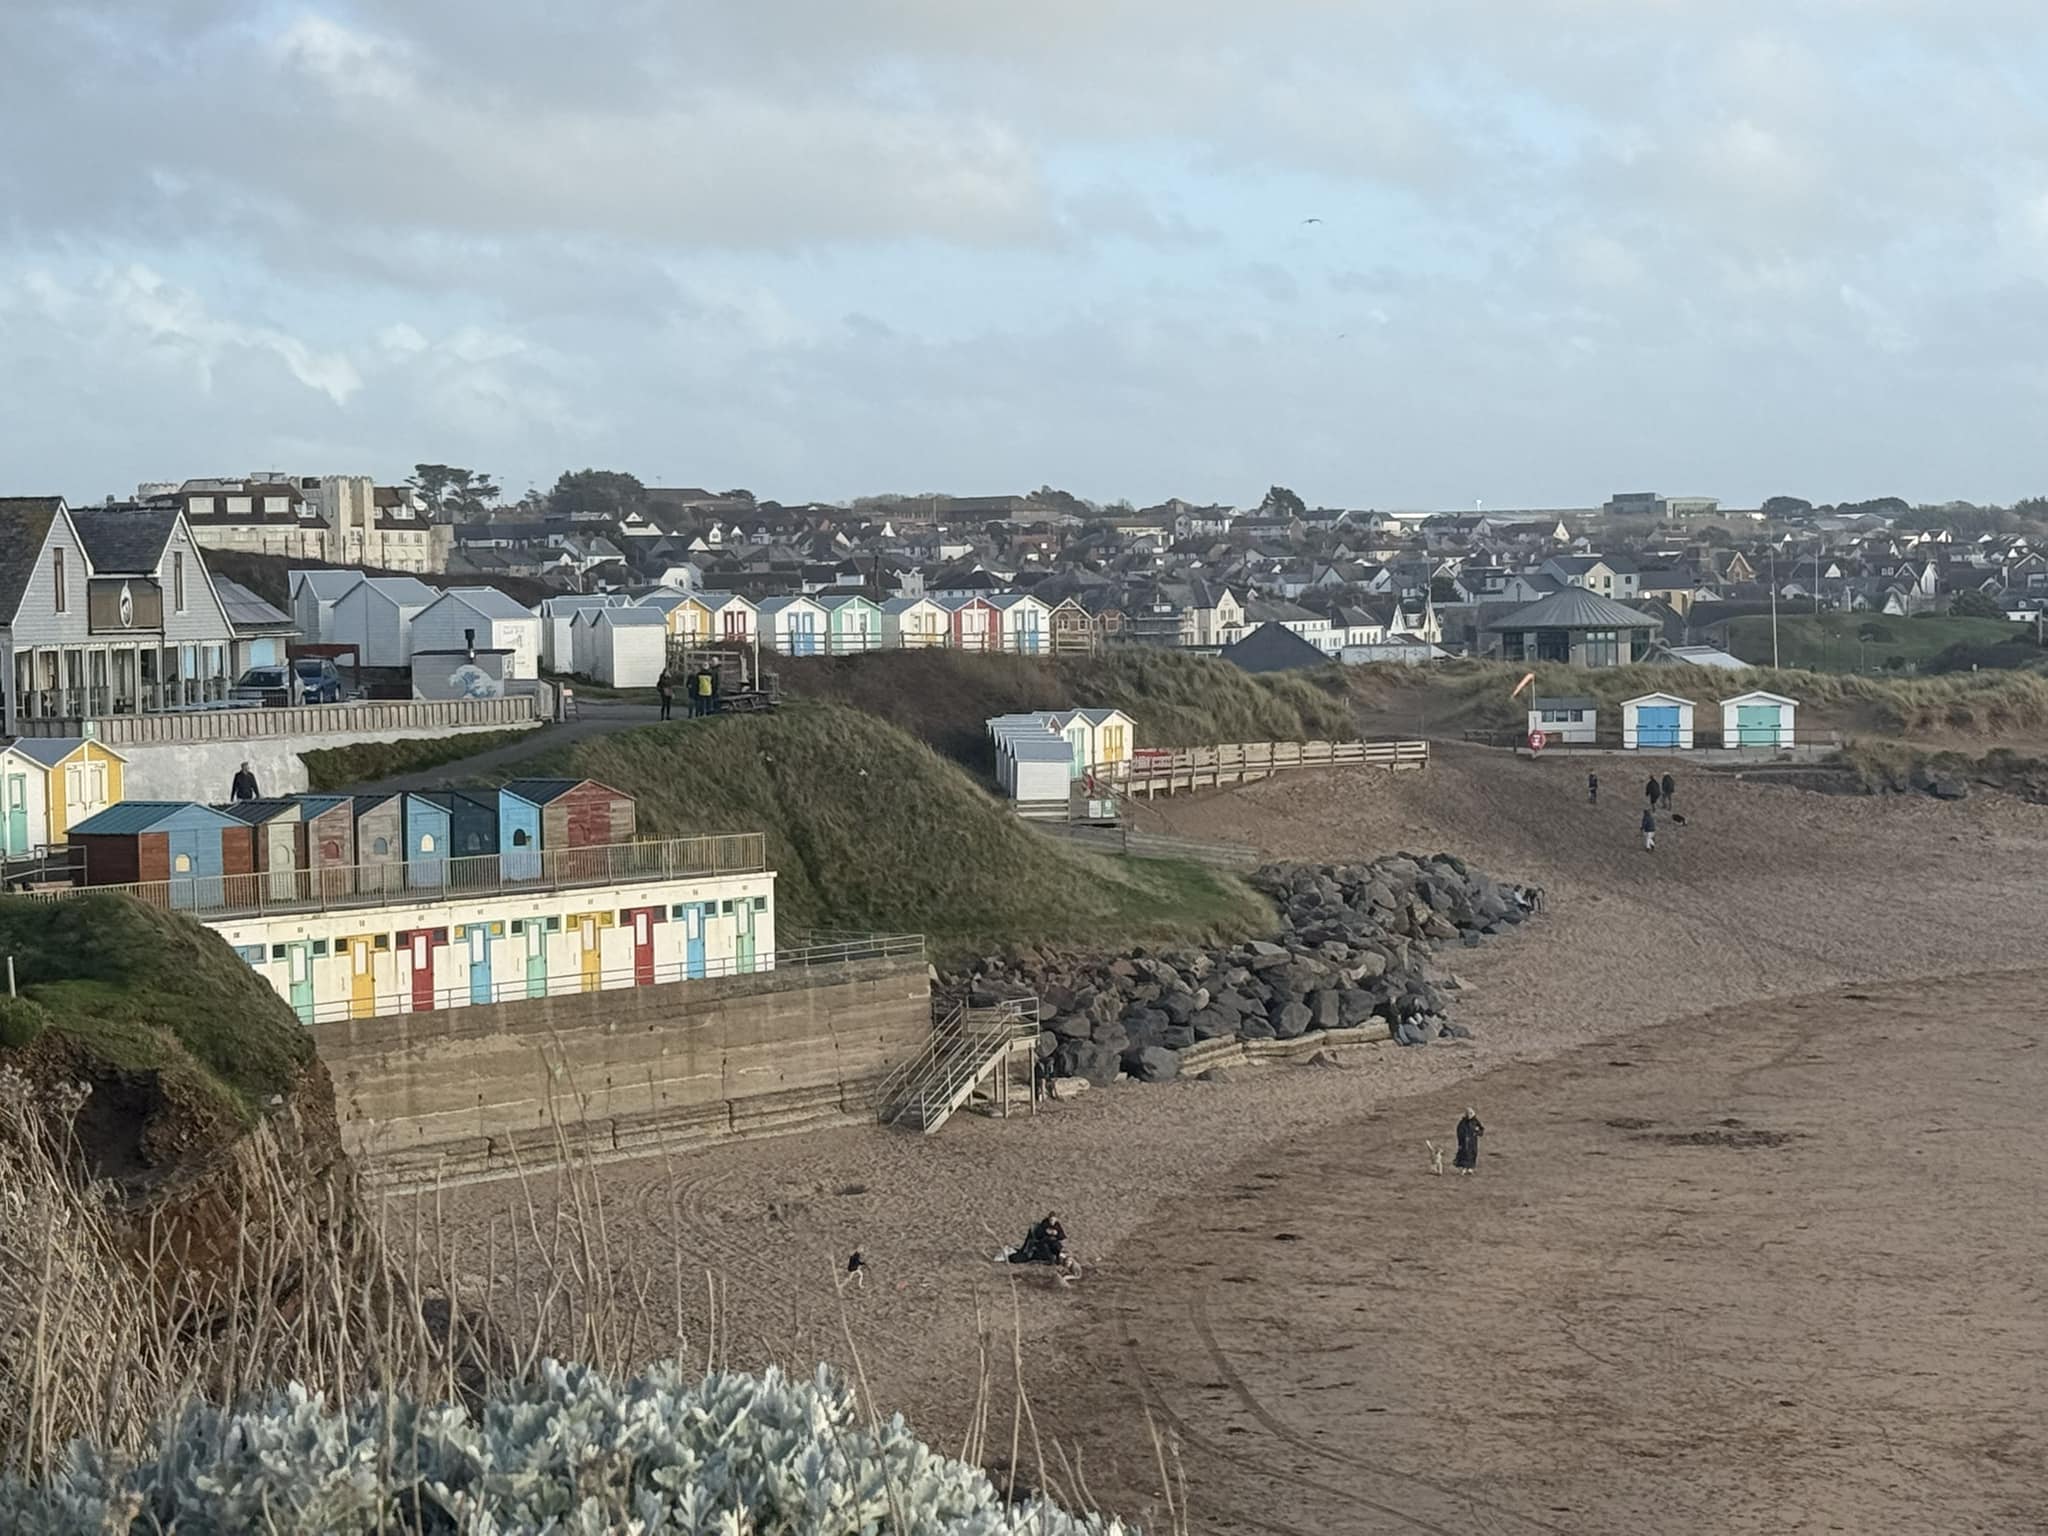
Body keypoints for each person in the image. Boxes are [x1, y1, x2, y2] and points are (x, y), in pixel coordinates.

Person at [1454, 1108, 1484, 1174]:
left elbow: (1481, 1130)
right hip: (1464, 1141)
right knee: (1464, 1153)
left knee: (1473, 1153)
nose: (1469, 1115)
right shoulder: (1463, 1122)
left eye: (1471, 1114)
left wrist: (1477, 1132)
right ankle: (1464, 1168)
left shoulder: (1475, 1121)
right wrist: (1461, 1140)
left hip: (1473, 1141)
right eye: (1468, 1114)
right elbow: (1459, 1131)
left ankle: (1470, 1168)